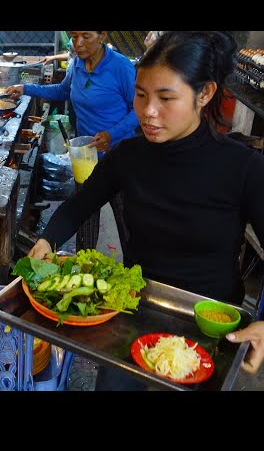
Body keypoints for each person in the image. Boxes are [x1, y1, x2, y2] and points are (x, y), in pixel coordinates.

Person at [27, 31, 264, 381]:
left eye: (166, 98)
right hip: (135, 310)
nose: (148, 112)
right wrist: (46, 241)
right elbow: (78, 206)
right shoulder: (128, 157)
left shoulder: (243, 168)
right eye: (140, 95)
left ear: (205, 93)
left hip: (212, 326)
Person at [7, 31, 139, 255]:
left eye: (86, 36)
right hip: (86, 155)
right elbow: (63, 91)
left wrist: (112, 134)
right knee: (84, 215)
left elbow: (138, 110)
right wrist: (25, 88)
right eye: (74, 36)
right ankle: (82, 263)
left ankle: (137, 272)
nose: (78, 44)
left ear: (102, 36)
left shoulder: (121, 67)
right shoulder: (77, 64)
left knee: (125, 219)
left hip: (117, 154)